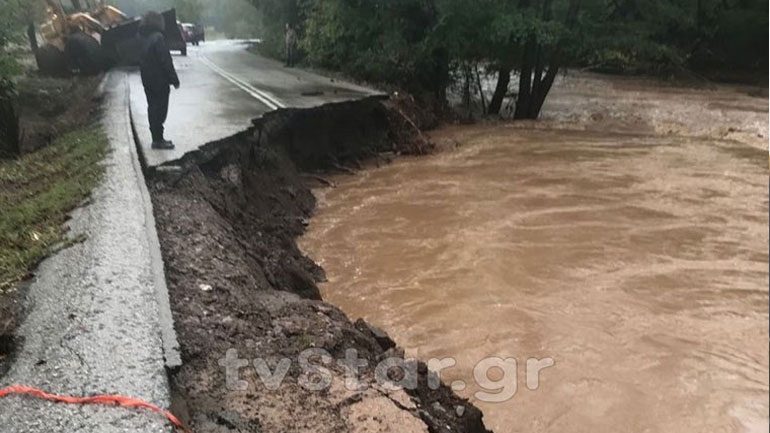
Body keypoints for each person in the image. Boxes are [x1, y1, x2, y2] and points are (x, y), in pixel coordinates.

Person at [138, 11, 180, 149]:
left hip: (147, 80)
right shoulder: (158, 38)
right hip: (159, 81)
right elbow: (165, 60)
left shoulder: (143, 38)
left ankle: (156, 137)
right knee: (160, 109)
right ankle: (158, 139)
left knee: (152, 107)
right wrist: (174, 79)